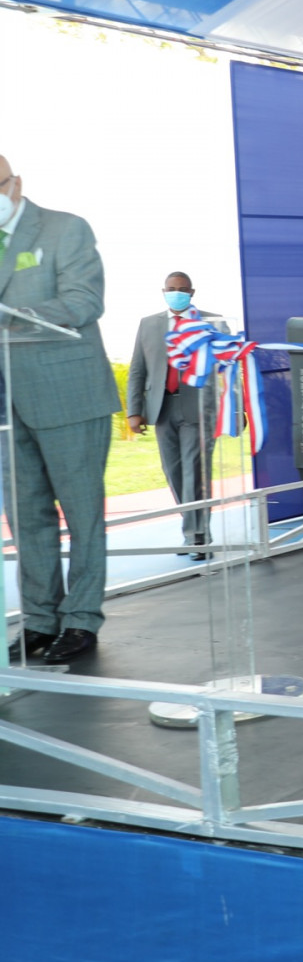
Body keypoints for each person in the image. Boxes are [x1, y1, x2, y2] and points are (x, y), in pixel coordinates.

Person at [0, 157, 120, 665]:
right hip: (7, 404)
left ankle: (81, 619)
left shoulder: (65, 229)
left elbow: (84, 301)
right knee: (25, 517)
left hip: (68, 392)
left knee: (82, 513)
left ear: (15, 184)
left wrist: (16, 317)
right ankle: (39, 620)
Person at [125, 272, 227, 560]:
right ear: (164, 291)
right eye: (172, 289)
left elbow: (228, 367)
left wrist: (236, 408)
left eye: (182, 289)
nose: (177, 293)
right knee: (174, 471)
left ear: (192, 292)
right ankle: (192, 531)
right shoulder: (148, 324)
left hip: (199, 407)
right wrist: (134, 411)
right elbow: (137, 369)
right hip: (162, 407)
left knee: (195, 472)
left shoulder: (212, 322)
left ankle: (199, 537)